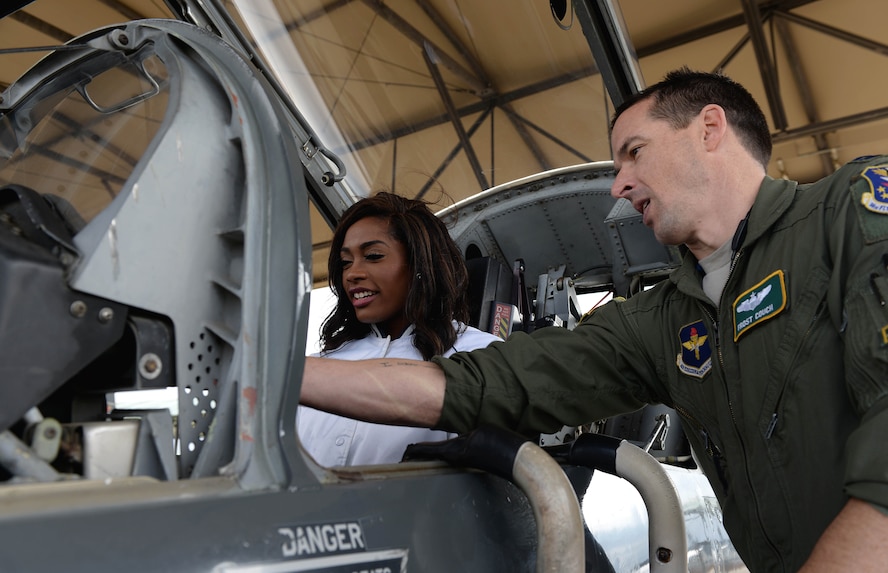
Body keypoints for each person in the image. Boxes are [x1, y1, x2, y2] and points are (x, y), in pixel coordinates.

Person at [300, 69, 888, 572]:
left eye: (635, 151)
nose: (618, 183)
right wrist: (272, 373)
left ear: (710, 129)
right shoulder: (664, 320)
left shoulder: (851, 212)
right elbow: (487, 384)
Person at [297, 191, 500, 466]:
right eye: (346, 262)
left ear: (420, 264)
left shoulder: (479, 355)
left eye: (373, 255)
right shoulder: (323, 363)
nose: (352, 273)